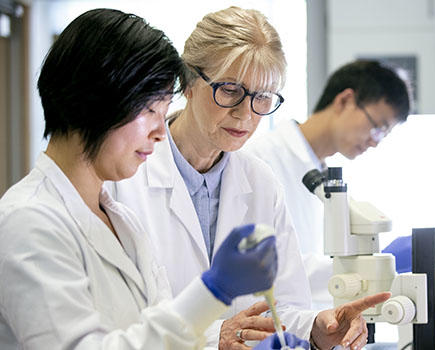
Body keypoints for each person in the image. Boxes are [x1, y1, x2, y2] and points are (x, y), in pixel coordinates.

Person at [0, 8, 304, 349]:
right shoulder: (27, 221)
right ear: (95, 102)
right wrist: (214, 290)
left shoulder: (121, 220)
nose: (161, 131)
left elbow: (162, 335)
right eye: (149, 111)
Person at [109, 7, 391, 350]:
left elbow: (285, 306)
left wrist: (317, 328)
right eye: (230, 90)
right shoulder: (126, 177)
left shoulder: (260, 182)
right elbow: (121, 319)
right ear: (189, 82)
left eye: (262, 98)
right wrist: (218, 337)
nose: (246, 114)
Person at [245, 60, 411, 306]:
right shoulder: (262, 160)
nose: (375, 142)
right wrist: (367, 270)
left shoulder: (323, 173)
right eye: (377, 127)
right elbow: (262, 266)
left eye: (383, 136)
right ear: (345, 100)